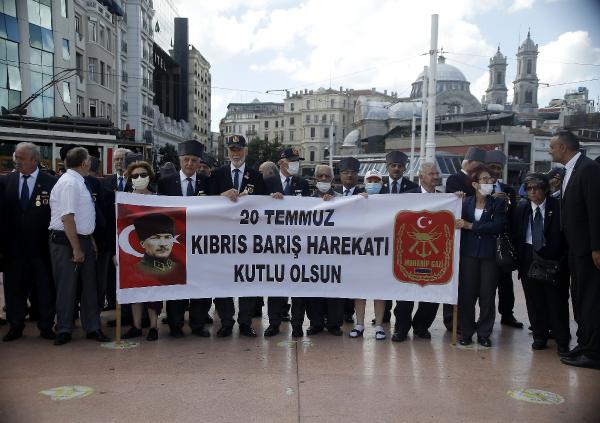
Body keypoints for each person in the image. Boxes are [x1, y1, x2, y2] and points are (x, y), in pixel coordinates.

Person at [548, 131, 600, 369]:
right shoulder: (569, 171)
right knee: (579, 298)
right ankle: (584, 344)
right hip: (574, 249)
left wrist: (596, 247)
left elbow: (595, 210)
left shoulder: (588, 169)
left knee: (590, 299)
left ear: (563, 147)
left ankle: (594, 351)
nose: (550, 151)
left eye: (552, 147)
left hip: (588, 250)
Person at [49, 147, 110, 345]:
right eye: (89, 160)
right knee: (67, 287)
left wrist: (89, 240)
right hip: (68, 242)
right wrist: (76, 248)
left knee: (89, 287)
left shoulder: (78, 181)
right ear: (84, 163)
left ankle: (92, 327)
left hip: (82, 238)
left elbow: (82, 217)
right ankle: (64, 328)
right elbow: (67, 217)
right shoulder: (69, 183)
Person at [208, 135, 267, 338]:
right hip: (223, 239)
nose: (236, 153)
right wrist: (221, 197)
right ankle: (226, 321)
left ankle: (245, 322)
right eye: (232, 149)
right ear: (227, 152)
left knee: (248, 281)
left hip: (248, 241)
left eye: (239, 149)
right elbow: (205, 203)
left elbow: (265, 206)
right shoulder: (217, 174)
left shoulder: (256, 176)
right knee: (222, 280)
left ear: (246, 151)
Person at [1, 143, 57, 342]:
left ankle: (46, 326)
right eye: (16, 157)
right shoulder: (6, 181)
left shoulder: (51, 182)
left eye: (21, 158)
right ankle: (15, 325)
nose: (16, 162)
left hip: (41, 248)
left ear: (34, 160)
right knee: (14, 289)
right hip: (13, 249)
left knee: (44, 289)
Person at [157, 140, 212, 338]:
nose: (190, 164)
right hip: (174, 243)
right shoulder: (165, 182)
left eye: (194, 160)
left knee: (201, 283)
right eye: (186, 159)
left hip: (200, 244)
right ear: (180, 160)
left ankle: (198, 324)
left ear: (199, 162)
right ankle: (175, 324)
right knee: (175, 283)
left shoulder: (208, 182)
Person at [511, 173, 570, 353]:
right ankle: (539, 336)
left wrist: (561, 260)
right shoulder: (522, 208)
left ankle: (561, 341)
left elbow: (566, 236)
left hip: (553, 259)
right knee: (534, 301)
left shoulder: (558, 207)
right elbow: (515, 234)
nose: (533, 191)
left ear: (546, 189)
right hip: (529, 257)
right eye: (529, 188)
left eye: (537, 187)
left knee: (556, 302)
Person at [392, 162, 445, 342]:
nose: (436, 176)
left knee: (431, 293)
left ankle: (421, 326)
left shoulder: (446, 199)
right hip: (408, 254)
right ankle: (401, 328)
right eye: (431, 174)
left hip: (434, 256)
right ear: (421, 177)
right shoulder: (406, 198)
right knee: (405, 293)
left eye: (437, 173)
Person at [455, 165, 506, 347]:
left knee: (487, 295)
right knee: (467, 295)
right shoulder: (465, 202)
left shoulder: (498, 203)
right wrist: (455, 200)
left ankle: (484, 333)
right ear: (475, 184)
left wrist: (471, 226)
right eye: (485, 179)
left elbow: (498, 226)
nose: (489, 182)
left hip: (489, 255)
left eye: (491, 179)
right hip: (468, 254)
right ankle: (466, 332)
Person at [262, 148, 311, 337]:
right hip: (275, 244)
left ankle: (297, 324)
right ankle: (274, 323)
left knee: (298, 286)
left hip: (298, 244)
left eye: (297, 160)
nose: (295, 163)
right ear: (281, 162)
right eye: (291, 160)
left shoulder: (303, 184)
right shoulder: (267, 183)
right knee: (275, 285)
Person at [443, 146, 487, 332]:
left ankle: (466, 319)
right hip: (458, 235)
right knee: (454, 280)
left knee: (469, 284)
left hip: (472, 237)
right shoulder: (455, 179)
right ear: (469, 163)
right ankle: (451, 320)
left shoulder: (481, 181)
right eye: (478, 165)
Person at [121, 162, 165, 341]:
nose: (139, 178)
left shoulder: (159, 198)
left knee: (154, 290)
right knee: (135, 289)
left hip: (154, 250)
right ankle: (136, 326)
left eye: (143, 174)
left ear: (150, 176)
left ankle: (153, 326)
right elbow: (118, 227)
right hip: (131, 251)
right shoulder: (123, 200)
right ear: (130, 179)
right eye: (135, 175)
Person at [485, 149, 523, 329]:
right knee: (486, 285)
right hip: (484, 242)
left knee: (506, 283)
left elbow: (514, 216)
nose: (495, 171)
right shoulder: (479, 187)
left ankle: (507, 314)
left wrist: (507, 202)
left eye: (498, 168)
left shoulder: (508, 189)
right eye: (492, 167)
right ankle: (485, 319)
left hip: (503, 242)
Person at [379, 151, 418, 324]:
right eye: (393, 166)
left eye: (399, 166)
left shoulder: (412, 188)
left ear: (404, 168)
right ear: (387, 167)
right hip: (383, 240)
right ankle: (383, 314)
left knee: (401, 277)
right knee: (383, 277)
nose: (396, 169)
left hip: (404, 241)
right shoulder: (377, 186)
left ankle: (401, 317)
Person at [349, 169, 387, 340]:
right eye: (369, 180)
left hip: (380, 252)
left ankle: (379, 325)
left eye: (376, 181)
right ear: (364, 183)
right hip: (360, 251)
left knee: (380, 290)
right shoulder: (356, 199)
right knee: (359, 290)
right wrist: (358, 201)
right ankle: (359, 324)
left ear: (381, 183)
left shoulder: (389, 201)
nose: (373, 184)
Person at [308, 164, 344, 336]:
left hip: (335, 251)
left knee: (334, 289)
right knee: (314, 290)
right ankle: (315, 323)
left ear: (332, 179)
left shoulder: (342, 199)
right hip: (312, 252)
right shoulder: (306, 199)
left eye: (327, 177)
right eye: (320, 176)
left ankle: (334, 324)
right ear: (315, 179)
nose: (323, 180)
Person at [335, 157, 366, 324]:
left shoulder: (364, 194)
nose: (349, 176)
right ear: (340, 175)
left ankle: (349, 312)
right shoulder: (331, 194)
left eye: (352, 173)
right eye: (345, 172)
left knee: (352, 279)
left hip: (356, 245)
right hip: (336, 245)